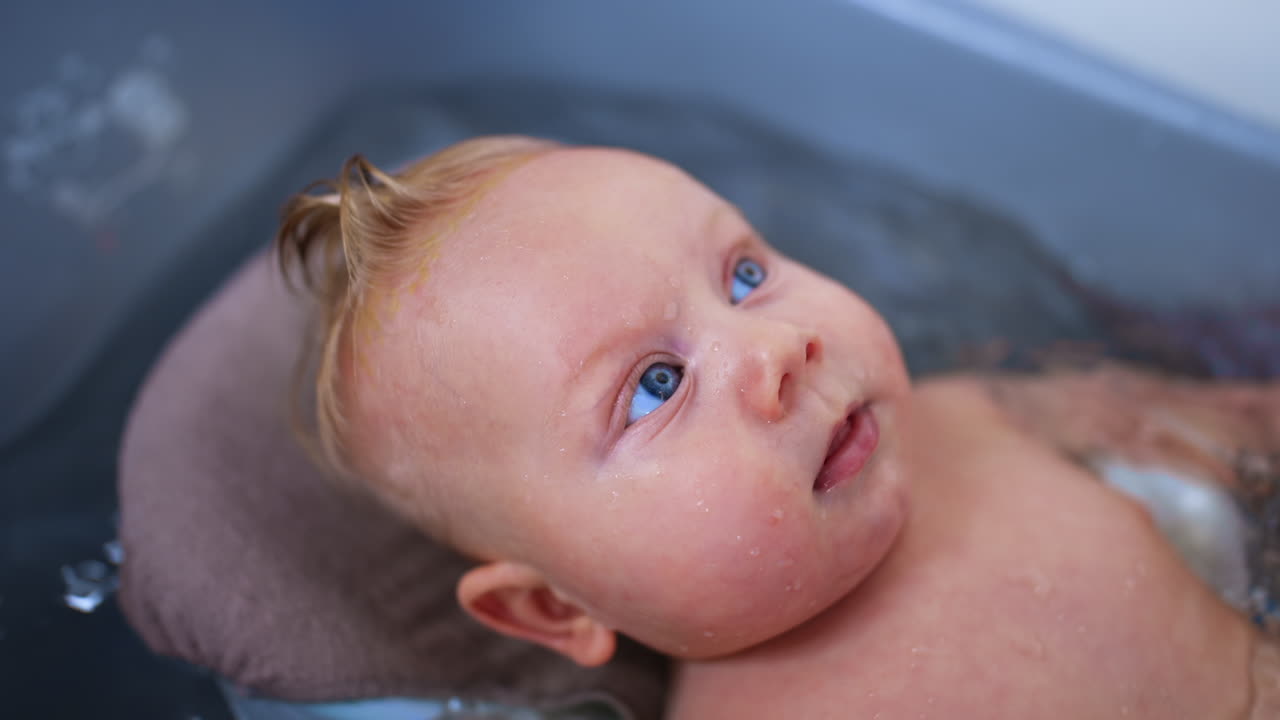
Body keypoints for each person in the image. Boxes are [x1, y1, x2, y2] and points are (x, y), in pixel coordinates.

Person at [276, 135, 1278, 718]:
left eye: (743, 276)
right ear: (555, 608)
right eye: (656, 384)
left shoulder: (959, 417)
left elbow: (1212, 424)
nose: (779, 346)